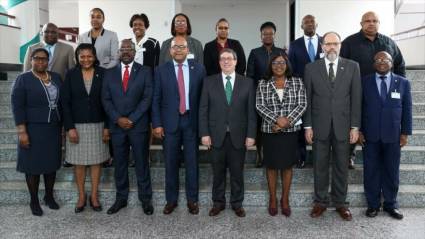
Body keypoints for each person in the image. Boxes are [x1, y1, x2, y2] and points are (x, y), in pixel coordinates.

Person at [304, 32, 362, 221]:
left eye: (335, 43)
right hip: (319, 126)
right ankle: (320, 202)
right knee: (319, 165)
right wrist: (308, 126)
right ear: (322, 46)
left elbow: (356, 98)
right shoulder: (311, 68)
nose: (331, 47)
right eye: (327, 44)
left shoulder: (353, 67)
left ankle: (340, 203)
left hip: (343, 126)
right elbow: (308, 99)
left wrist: (355, 127)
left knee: (341, 167)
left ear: (340, 46)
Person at [341, 11, 406, 169]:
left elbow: (399, 64)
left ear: (379, 23)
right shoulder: (349, 42)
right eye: (367, 21)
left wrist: (398, 87)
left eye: (375, 20)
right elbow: (341, 66)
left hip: (382, 93)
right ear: (361, 24)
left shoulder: (389, 42)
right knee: (354, 123)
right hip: (357, 92)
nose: (371, 23)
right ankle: (349, 155)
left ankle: (381, 153)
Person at [199, 48, 257, 218]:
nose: (226, 61)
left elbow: (251, 112)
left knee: (237, 172)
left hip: (239, 136)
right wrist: (204, 133)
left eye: (229, 58)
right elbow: (203, 109)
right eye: (223, 58)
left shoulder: (247, 82)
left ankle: (237, 203)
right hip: (215, 135)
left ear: (236, 61)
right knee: (217, 172)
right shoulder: (209, 82)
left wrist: (251, 135)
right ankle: (218, 203)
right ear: (219, 62)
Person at [152, 36, 206, 215]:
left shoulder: (199, 69)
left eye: (182, 47)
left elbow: (203, 100)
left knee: (192, 163)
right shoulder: (161, 70)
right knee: (170, 162)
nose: (179, 50)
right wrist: (157, 124)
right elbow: (156, 99)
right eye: (176, 47)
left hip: (191, 122)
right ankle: (171, 200)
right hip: (169, 123)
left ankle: (192, 200)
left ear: (188, 49)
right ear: (170, 50)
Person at [102, 39, 153, 215]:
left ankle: (146, 199)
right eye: (122, 49)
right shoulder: (109, 73)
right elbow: (105, 99)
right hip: (117, 127)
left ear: (134, 52)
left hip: (138, 126)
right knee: (120, 164)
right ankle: (121, 198)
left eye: (129, 48)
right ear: (118, 52)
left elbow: (147, 98)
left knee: (141, 163)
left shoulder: (145, 71)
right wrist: (117, 119)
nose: (125, 51)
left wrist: (132, 118)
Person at [359, 51, 412, 220]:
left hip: (393, 135)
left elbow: (407, 110)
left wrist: (405, 132)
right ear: (374, 63)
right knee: (371, 171)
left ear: (392, 63)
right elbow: (358, 108)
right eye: (378, 59)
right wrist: (359, 130)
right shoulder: (364, 82)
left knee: (391, 170)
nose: (382, 62)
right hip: (370, 134)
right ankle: (373, 205)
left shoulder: (403, 83)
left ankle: (391, 204)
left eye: (386, 59)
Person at [11, 48, 62, 216]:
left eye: (44, 59)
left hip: (53, 128)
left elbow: (63, 102)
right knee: (32, 167)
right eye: (37, 59)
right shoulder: (23, 79)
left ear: (49, 61)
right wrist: (22, 132)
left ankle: (48, 196)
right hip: (32, 129)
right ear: (31, 60)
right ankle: (33, 200)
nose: (41, 62)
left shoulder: (56, 77)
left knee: (51, 165)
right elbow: (17, 107)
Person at [61, 43, 110, 213]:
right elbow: (65, 103)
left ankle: (94, 196)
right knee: (79, 163)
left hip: (99, 125)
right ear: (77, 57)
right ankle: (81, 196)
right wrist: (69, 128)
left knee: (97, 162)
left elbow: (108, 101)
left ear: (95, 56)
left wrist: (107, 127)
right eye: (82, 56)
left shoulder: (103, 74)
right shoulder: (71, 74)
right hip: (77, 126)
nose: (86, 59)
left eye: (89, 56)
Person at [256, 54, 307, 217]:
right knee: (271, 166)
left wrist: (287, 121)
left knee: (287, 166)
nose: (279, 65)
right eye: (275, 63)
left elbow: (302, 104)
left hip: (290, 132)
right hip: (270, 130)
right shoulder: (263, 83)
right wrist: (276, 120)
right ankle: (272, 199)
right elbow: (259, 105)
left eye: (282, 62)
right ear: (270, 65)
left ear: (287, 64)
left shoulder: (297, 82)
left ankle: (285, 199)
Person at [79, 7, 119, 168]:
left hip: (106, 77)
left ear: (104, 19)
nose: (95, 19)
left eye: (99, 16)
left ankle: (108, 155)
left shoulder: (111, 35)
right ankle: (91, 153)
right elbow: (79, 57)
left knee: (106, 113)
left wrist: (102, 70)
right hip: (86, 78)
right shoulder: (82, 36)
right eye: (93, 17)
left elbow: (115, 57)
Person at [247, 21, 285, 168]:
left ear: (274, 35)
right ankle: (260, 154)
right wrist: (256, 92)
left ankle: (275, 154)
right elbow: (250, 75)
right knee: (260, 127)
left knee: (277, 124)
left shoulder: (281, 52)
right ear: (261, 36)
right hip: (260, 95)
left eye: (271, 34)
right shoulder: (255, 52)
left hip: (279, 95)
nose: (268, 36)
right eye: (265, 34)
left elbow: (287, 72)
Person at [288, 14, 323, 169]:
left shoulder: (325, 42)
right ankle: (300, 157)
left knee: (320, 124)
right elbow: (292, 69)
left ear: (317, 24)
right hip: (301, 90)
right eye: (306, 22)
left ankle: (318, 158)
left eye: (312, 21)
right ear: (301, 26)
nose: (309, 24)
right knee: (301, 124)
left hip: (323, 92)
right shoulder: (294, 45)